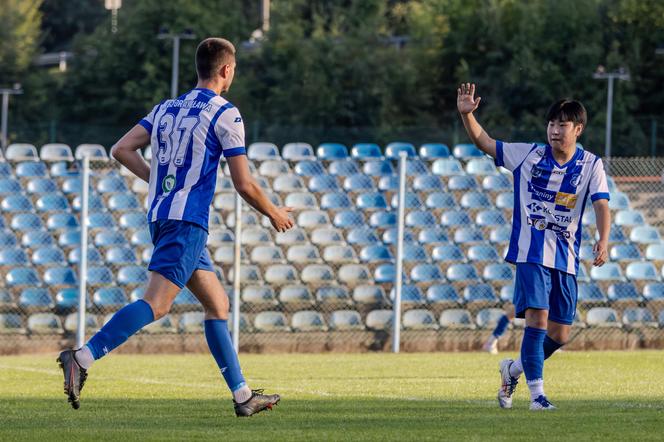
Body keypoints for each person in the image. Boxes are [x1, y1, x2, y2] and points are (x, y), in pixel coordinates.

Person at [57, 37, 294, 417]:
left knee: (218, 304)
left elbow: (121, 149)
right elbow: (244, 184)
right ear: (226, 70)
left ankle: (243, 396)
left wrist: (156, 181)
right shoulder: (225, 114)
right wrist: (275, 213)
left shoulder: (166, 108)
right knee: (157, 304)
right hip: (187, 222)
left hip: (163, 215)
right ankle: (81, 357)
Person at [457, 83, 611, 410]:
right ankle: (537, 396)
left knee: (560, 335)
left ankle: (513, 369)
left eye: (562, 125)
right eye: (551, 124)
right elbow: (484, 142)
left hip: (566, 259)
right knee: (537, 320)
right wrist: (467, 115)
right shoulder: (528, 154)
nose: (555, 130)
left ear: (578, 129)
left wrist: (603, 238)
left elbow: (601, 205)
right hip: (530, 253)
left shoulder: (591, 165)